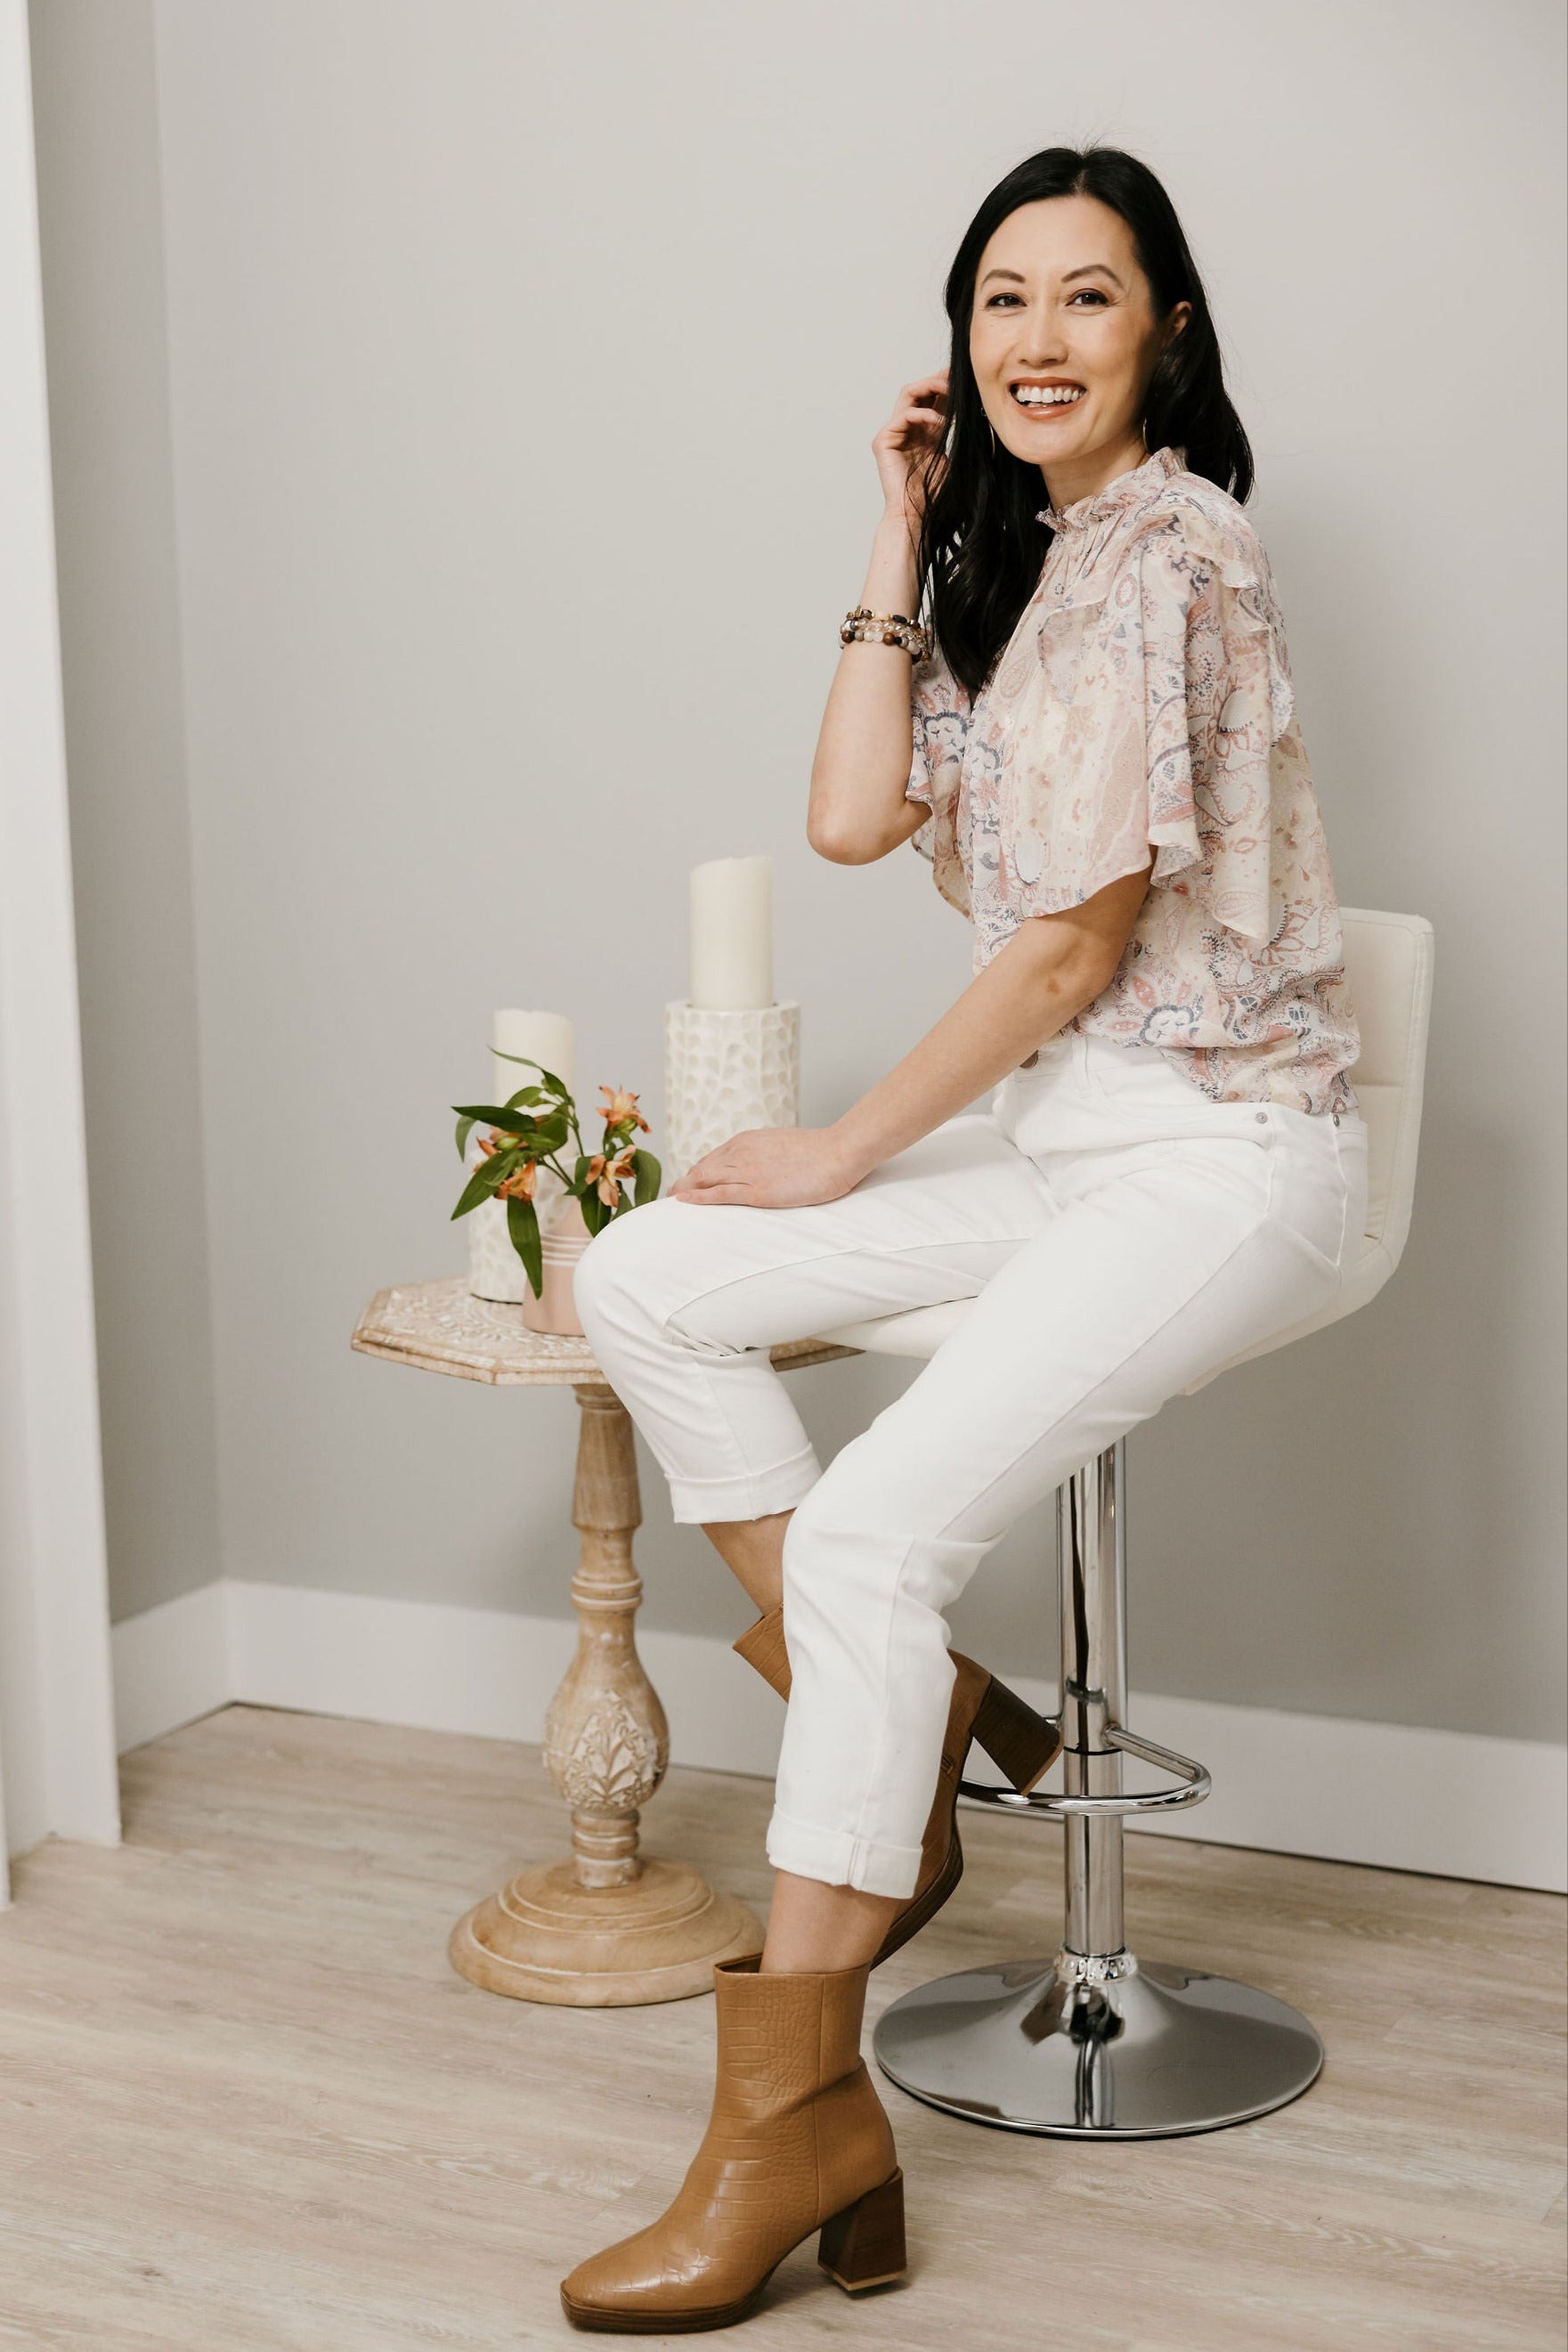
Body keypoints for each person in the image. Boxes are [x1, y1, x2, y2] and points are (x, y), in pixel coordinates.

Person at [558, 142, 1367, 2332]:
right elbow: (845, 816)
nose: (1031, 339)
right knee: (635, 1276)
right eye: (997, 299)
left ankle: (785, 2119)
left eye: (1083, 299)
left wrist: (833, 1152)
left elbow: (1068, 946)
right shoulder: (1027, 578)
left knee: (865, 1536)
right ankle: (895, 1724)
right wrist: (900, 534)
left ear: (1164, 333)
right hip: (1071, 1154)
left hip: (1219, 1155)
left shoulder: (1175, 549)